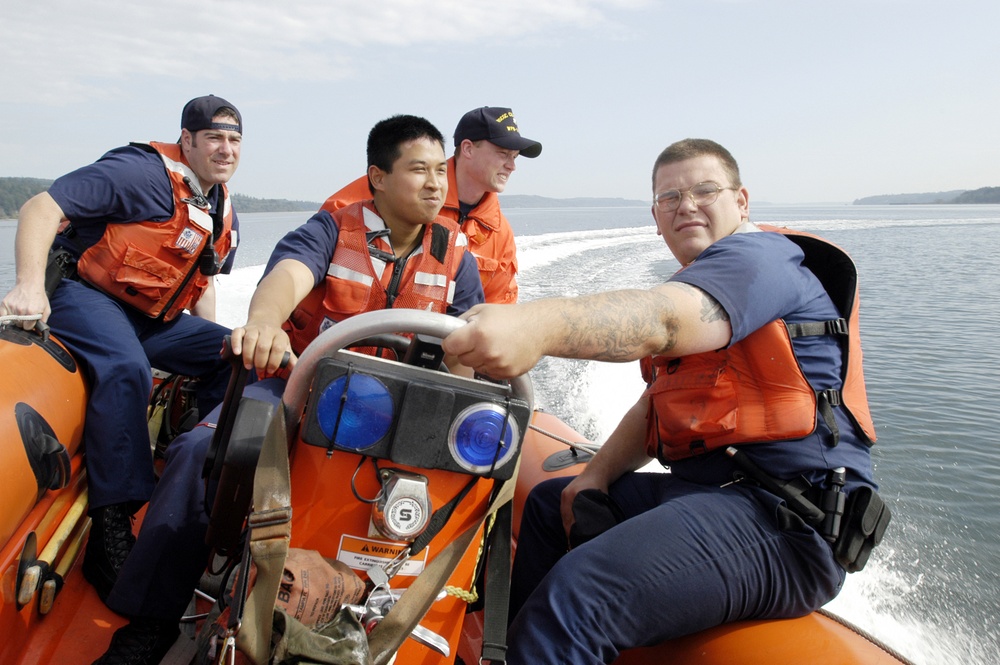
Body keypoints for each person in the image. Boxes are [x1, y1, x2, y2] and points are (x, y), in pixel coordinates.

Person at [442, 139, 882, 664]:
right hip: (707, 495)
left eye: (704, 191)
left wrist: (535, 326)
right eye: (669, 197)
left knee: (580, 597)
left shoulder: (761, 262)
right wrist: (595, 477)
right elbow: (657, 406)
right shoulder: (703, 286)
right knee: (545, 505)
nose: (686, 205)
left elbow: (663, 322)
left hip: (786, 519)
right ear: (655, 217)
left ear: (742, 202)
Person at [92, 114, 485, 665]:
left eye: (440, 171)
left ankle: (437, 618)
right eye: (418, 170)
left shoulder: (456, 256)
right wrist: (265, 324)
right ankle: (152, 620)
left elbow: (471, 343)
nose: (435, 184)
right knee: (196, 452)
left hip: (400, 413)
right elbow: (286, 278)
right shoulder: (329, 230)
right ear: (376, 176)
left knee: (480, 474)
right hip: (298, 389)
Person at [0, 95, 243, 603]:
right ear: (188, 140)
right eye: (215, 138)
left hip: (150, 316)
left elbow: (205, 280)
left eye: (235, 140)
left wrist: (209, 340)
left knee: (235, 355)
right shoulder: (140, 174)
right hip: (84, 294)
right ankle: (110, 527)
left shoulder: (219, 206)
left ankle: (191, 469)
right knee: (126, 367)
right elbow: (40, 206)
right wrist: (28, 286)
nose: (226, 150)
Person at [325, 106, 541, 304]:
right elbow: (333, 224)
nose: (512, 166)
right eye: (503, 154)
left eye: (514, 157)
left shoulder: (500, 235)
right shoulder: (392, 185)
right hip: (351, 335)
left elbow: (497, 312)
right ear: (467, 149)